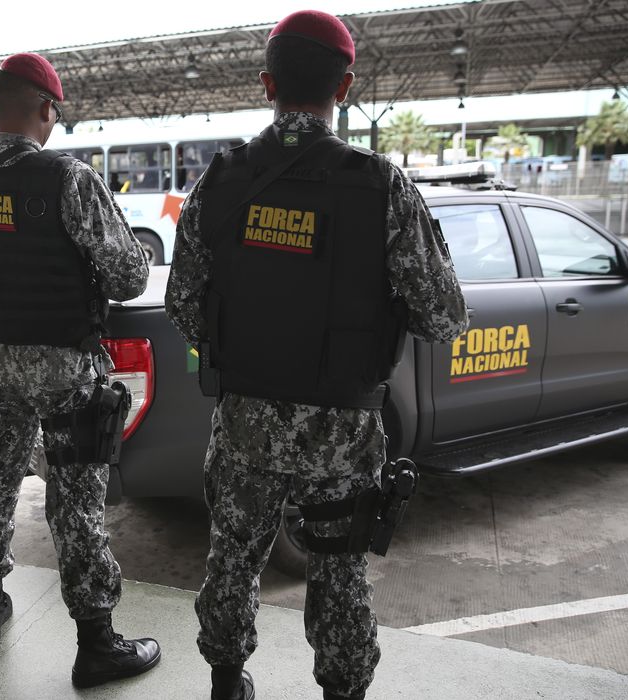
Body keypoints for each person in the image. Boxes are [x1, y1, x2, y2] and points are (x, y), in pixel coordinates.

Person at [164, 11, 469, 700]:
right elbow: (444, 318)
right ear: (347, 85)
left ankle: (223, 682)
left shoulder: (221, 181)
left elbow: (183, 302)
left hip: (243, 421)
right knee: (337, 572)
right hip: (344, 430)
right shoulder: (383, 187)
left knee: (233, 557)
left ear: (268, 83)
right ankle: (342, 689)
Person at [0, 52, 162, 688]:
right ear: (46, 109)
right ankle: (96, 643)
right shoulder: (68, 177)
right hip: (66, 366)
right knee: (75, 504)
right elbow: (130, 274)